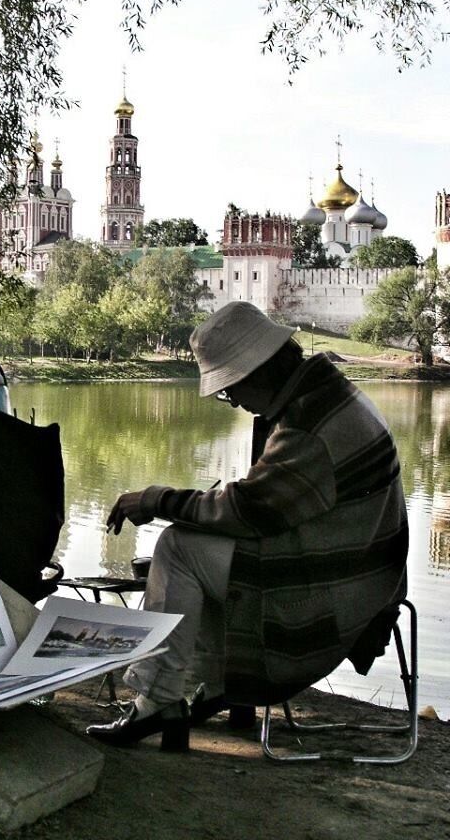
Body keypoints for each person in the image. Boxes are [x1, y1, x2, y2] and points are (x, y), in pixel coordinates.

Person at [86, 301, 408, 751]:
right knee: (206, 542)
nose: (232, 400)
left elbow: (248, 510)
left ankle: (158, 700)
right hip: (361, 573)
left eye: (231, 388)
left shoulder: (308, 425)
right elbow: (264, 505)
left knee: (178, 547)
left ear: (258, 371)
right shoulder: (325, 395)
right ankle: (223, 685)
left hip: (336, 593)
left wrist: (157, 499)